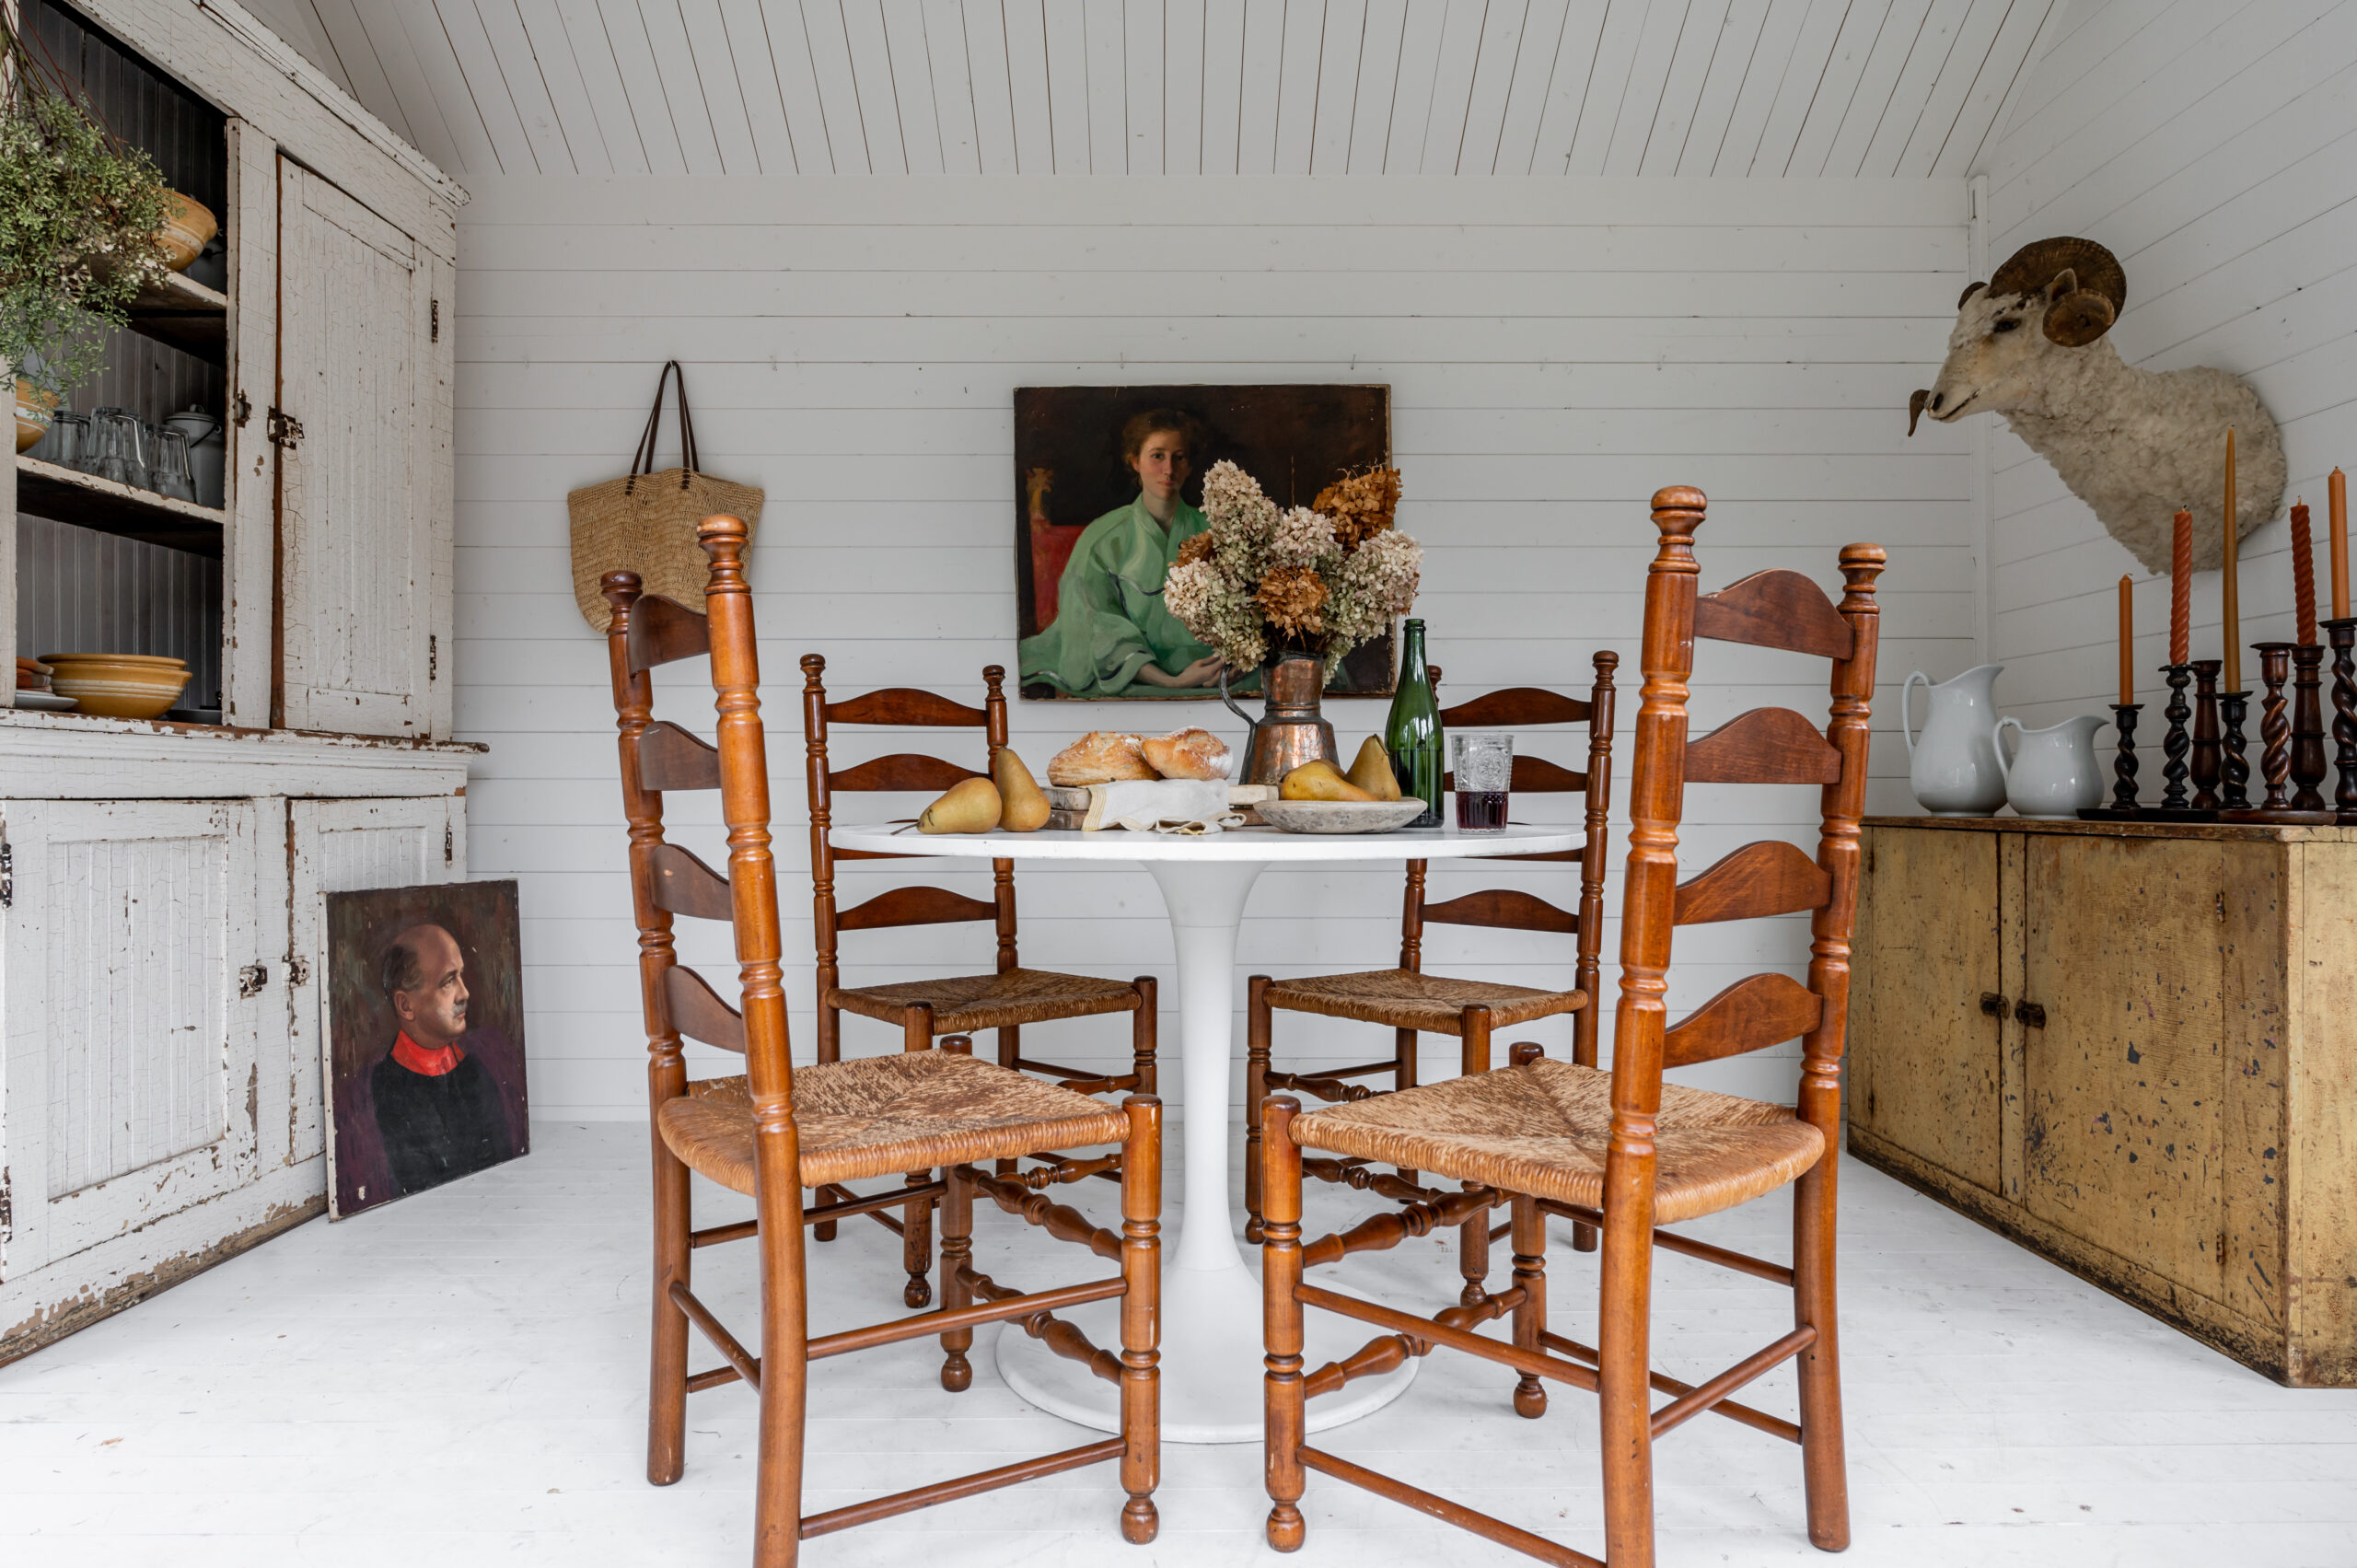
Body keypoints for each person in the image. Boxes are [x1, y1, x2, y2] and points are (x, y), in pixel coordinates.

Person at [1019, 409, 1225, 697]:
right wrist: (1173, 682)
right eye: (1157, 456)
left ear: (1189, 466)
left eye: (1178, 457)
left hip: (1215, 677)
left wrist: (1234, 662)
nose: (1168, 469)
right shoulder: (1103, 538)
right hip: (1133, 679)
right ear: (1134, 461)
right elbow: (1098, 627)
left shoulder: (1215, 530)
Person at [369, 923, 513, 1198]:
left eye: (461, 976)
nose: (464, 993)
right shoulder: (385, 1087)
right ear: (406, 1006)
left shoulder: (475, 1072)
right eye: (448, 981)